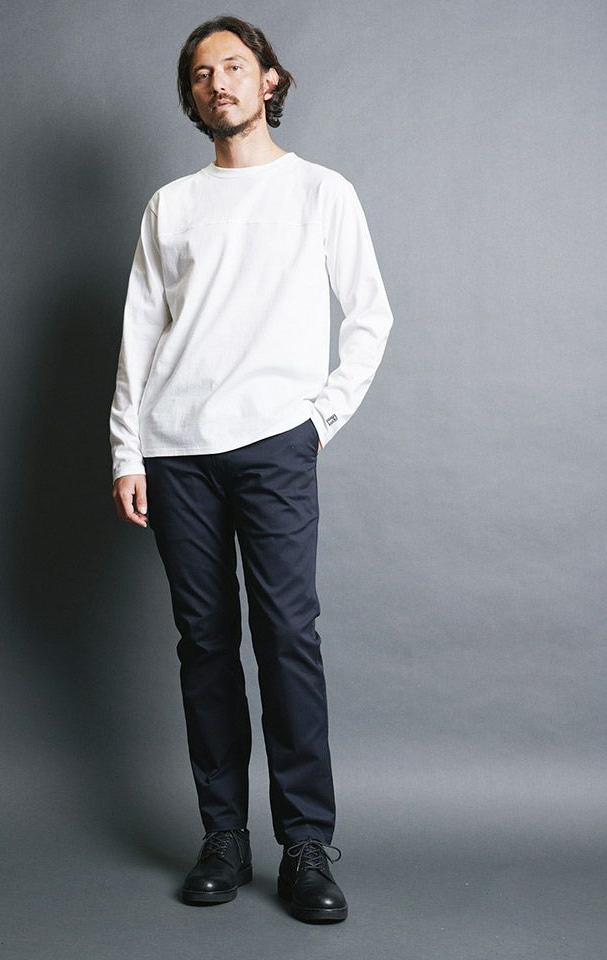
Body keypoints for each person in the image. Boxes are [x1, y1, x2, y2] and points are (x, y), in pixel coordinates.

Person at [109, 15, 394, 924]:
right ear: (192, 97)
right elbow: (139, 334)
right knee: (204, 647)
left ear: (270, 80)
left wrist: (318, 421)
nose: (218, 83)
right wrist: (127, 449)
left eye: (234, 66)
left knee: (287, 638)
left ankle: (305, 844)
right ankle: (223, 837)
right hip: (176, 451)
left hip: (276, 443)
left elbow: (371, 318)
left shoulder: (320, 191)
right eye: (202, 74)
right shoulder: (171, 205)